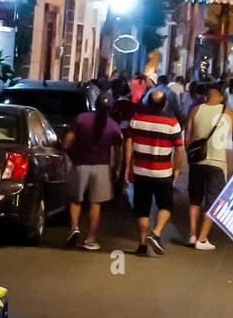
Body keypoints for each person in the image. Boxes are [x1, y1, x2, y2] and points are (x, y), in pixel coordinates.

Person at [124, 88, 184, 256]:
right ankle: (156, 233)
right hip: (163, 173)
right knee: (166, 206)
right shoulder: (172, 123)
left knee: (142, 209)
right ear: (165, 104)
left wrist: (128, 167)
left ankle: (142, 244)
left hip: (141, 171)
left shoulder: (136, 120)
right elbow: (179, 149)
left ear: (148, 103)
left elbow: (128, 145)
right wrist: (177, 167)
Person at [185, 83, 233, 250]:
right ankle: (202, 239)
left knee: (195, 199)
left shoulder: (196, 110)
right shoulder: (228, 113)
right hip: (217, 163)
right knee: (213, 202)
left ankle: (192, 234)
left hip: (197, 162)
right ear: (222, 98)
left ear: (205, 97)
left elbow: (187, 138)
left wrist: (192, 154)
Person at [64, 95, 123, 251]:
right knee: (95, 203)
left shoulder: (81, 119)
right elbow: (118, 151)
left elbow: (68, 141)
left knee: (76, 199)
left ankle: (74, 227)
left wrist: (70, 152)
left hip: (80, 164)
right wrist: (117, 167)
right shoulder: (114, 126)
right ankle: (90, 238)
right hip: (102, 167)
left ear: (94, 105)